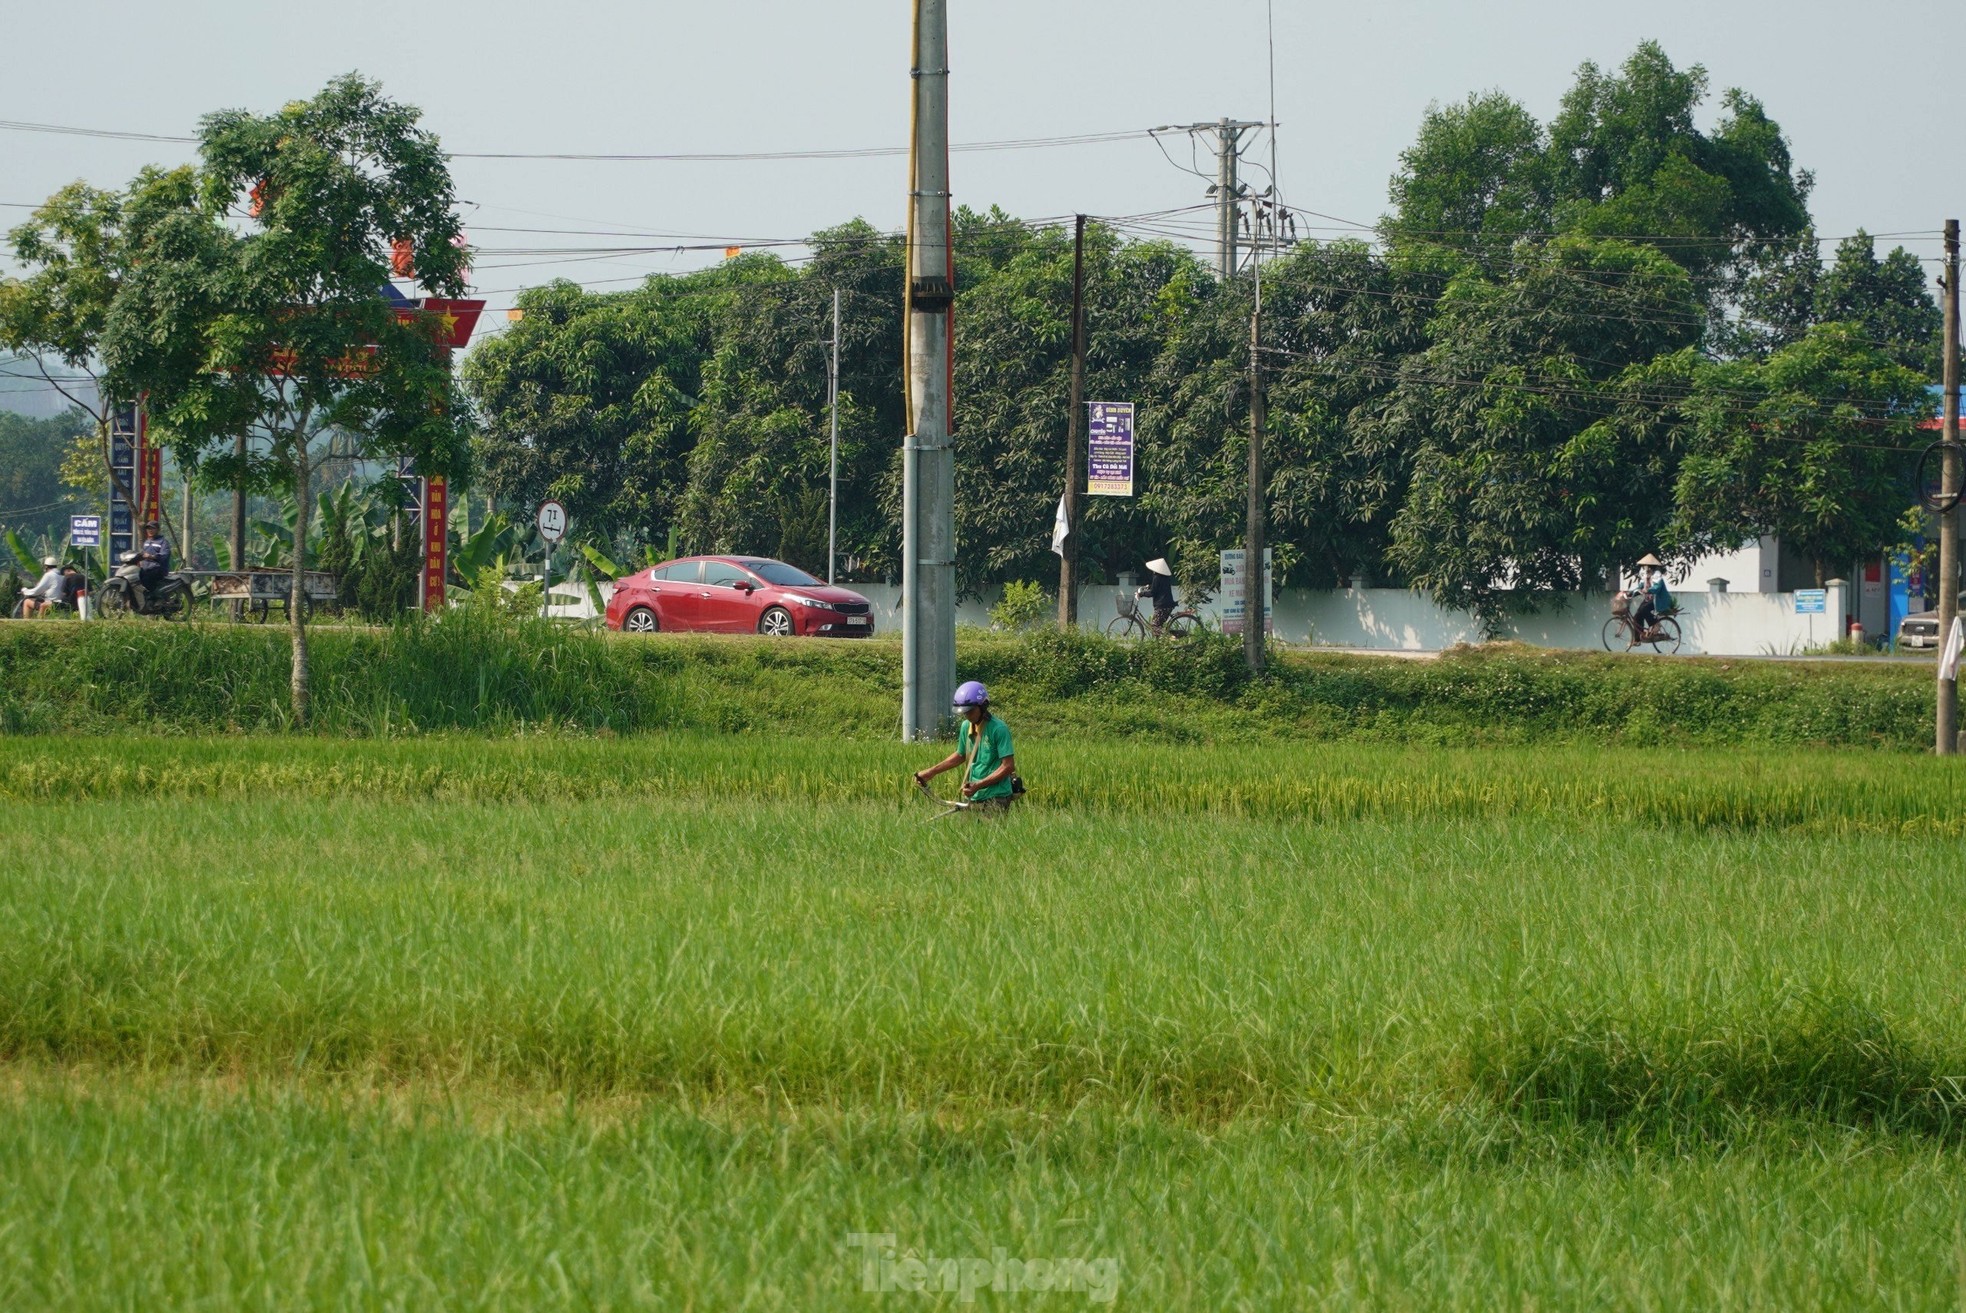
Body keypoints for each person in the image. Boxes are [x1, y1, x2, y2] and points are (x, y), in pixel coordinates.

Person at [913, 680, 1020, 814]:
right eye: (964, 712)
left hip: (996, 797)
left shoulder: (998, 729)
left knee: (988, 835)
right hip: (973, 796)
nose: (967, 715)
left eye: (970, 711)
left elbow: (1008, 766)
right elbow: (960, 755)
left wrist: (978, 785)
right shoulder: (966, 727)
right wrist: (931, 772)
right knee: (966, 834)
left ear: (983, 706)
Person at [1629, 553, 1673, 642]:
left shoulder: (1657, 575)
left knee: (1644, 609)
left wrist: (1648, 590)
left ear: (1651, 566)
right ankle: (1637, 639)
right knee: (1637, 616)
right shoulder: (1645, 576)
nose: (1646, 568)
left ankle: (1656, 624)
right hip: (1649, 600)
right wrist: (1630, 593)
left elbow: (1656, 588)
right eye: (1645, 567)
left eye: (1647, 566)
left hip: (1658, 600)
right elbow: (1640, 587)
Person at [136, 520, 170, 605]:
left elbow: (164, 556)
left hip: (158, 568)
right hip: (146, 568)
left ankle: (156, 598)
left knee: (147, 578)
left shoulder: (163, 542)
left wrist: (152, 556)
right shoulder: (147, 542)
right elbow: (142, 553)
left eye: (152, 528)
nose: (150, 530)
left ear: (158, 529)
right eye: (148, 529)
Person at [1142, 557, 1176, 632]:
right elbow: (1159, 588)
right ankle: (1160, 642)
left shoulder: (1157, 577)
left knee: (1155, 626)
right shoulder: (1165, 577)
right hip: (1167, 604)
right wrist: (1149, 587)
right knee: (1158, 626)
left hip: (1162, 606)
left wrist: (1141, 594)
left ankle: (1170, 637)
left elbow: (1153, 592)